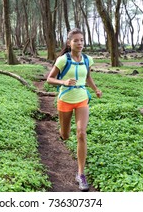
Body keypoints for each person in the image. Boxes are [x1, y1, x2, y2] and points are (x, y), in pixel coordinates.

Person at [46, 28, 102, 192]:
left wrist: (96, 89)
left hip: (82, 98)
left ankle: (80, 174)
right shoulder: (63, 60)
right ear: (69, 43)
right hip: (65, 100)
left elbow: (88, 77)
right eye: (76, 40)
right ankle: (62, 132)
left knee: (81, 133)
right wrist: (63, 82)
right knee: (65, 135)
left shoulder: (87, 59)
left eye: (82, 40)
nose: (79, 43)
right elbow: (49, 79)